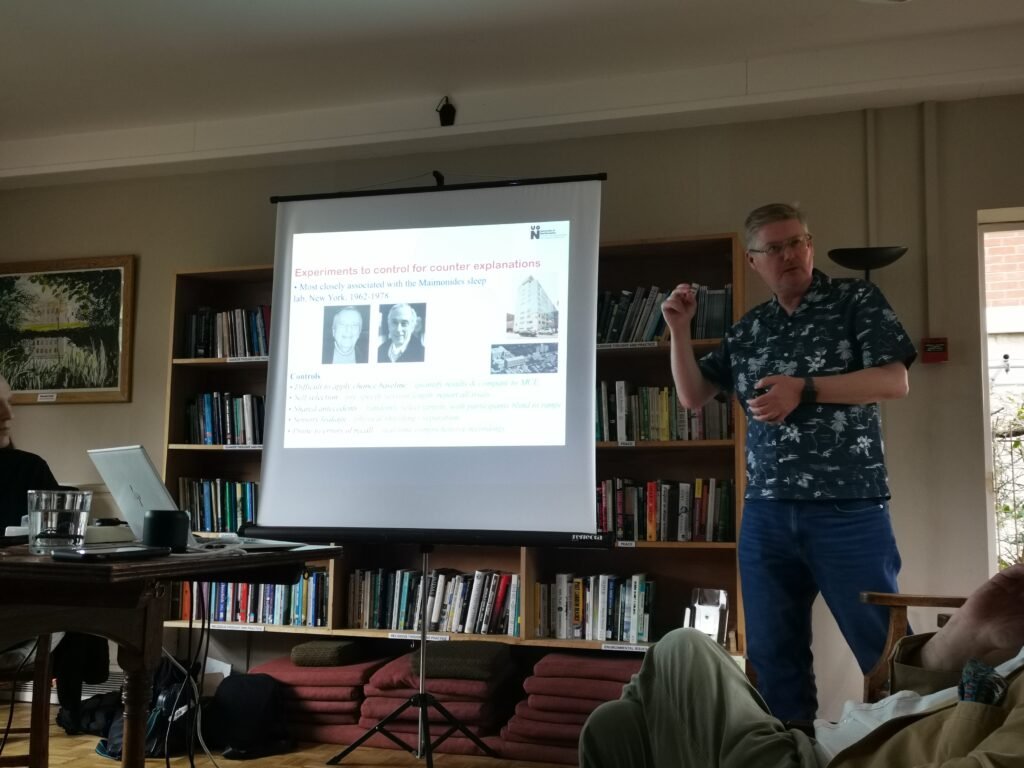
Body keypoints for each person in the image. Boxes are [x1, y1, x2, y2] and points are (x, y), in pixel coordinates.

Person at [661, 203, 917, 720]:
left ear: (810, 246)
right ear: (754, 261)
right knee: (774, 661)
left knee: (886, 654)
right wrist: (679, 331)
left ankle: (912, 746)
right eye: (774, 248)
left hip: (848, 508)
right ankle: (791, 751)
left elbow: (895, 380)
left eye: (797, 242)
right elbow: (693, 395)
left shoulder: (855, 299)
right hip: (767, 515)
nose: (789, 254)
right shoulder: (749, 329)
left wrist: (805, 388)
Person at [579, 563, 1024, 768]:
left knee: (683, 648)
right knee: (614, 727)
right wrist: (969, 632)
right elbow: (918, 709)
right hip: (812, 744)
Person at [0, 371, 110, 730]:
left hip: (16, 615)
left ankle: (71, 709)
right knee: (71, 604)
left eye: (10, 403)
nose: (8, 415)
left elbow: (61, 546)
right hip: (17, 617)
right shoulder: (28, 467)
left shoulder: (29, 468)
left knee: (72, 593)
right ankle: (72, 710)